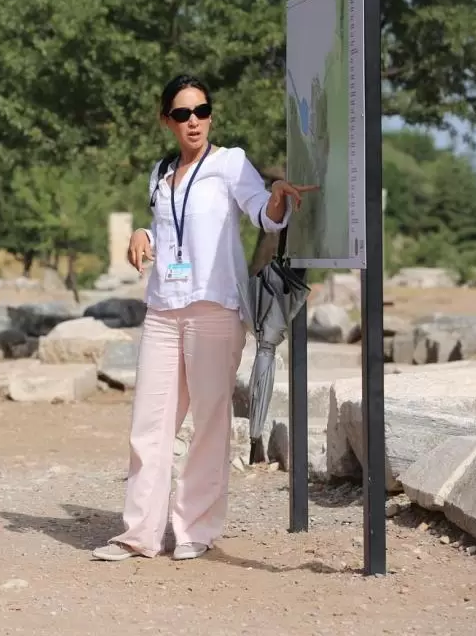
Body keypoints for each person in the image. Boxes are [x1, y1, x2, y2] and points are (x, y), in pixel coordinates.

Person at [92, 74, 315, 563]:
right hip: (163, 309)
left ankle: (196, 528)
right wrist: (141, 233)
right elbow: (168, 224)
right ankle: (139, 534)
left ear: (210, 115)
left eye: (201, 111)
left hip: (215, 309)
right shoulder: (160, 172)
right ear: (166, 120)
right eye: (181, 113)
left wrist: (275, 196)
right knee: (149, 426)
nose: (192, 121)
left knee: (210, 422)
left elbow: (262, 213)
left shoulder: (230, 163)